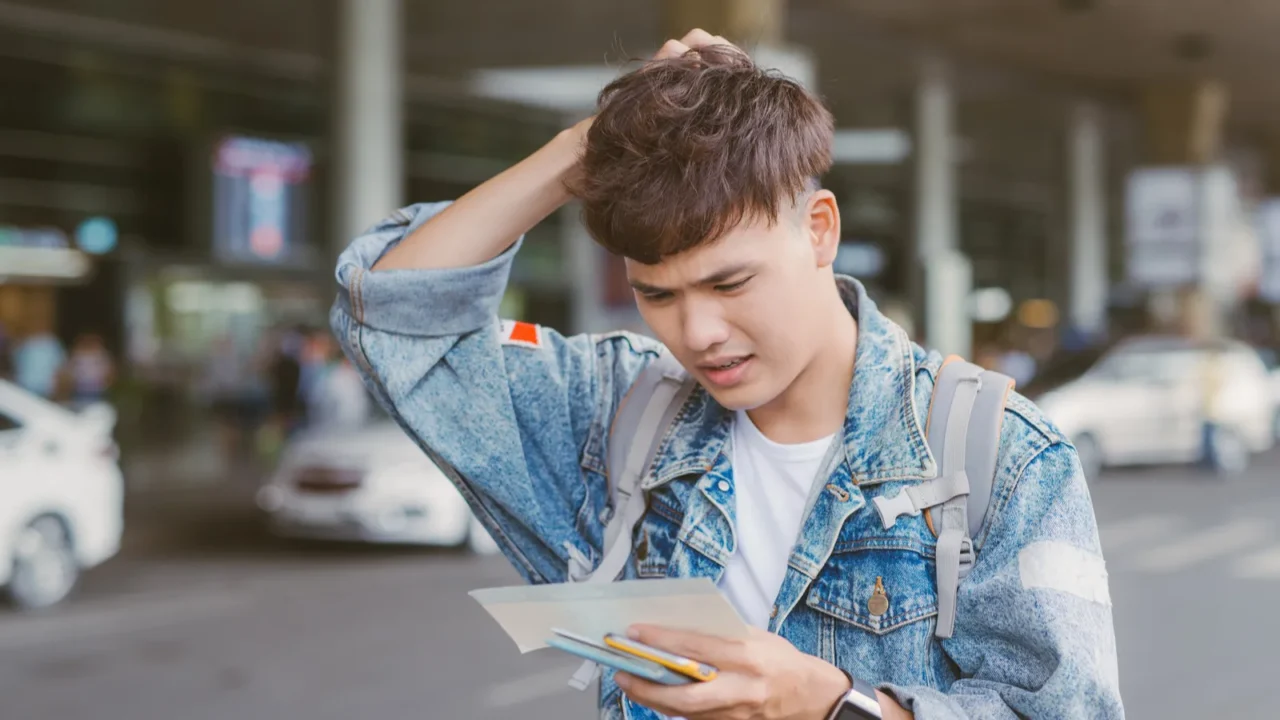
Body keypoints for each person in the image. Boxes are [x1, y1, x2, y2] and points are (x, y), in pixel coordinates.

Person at [330, 32, 1121, 720]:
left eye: (730, 283)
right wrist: (588, 150)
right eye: (657, 295)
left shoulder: (998, 455)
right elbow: (394, 318)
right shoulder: (619, 417)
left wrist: (830, 706)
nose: (698, 334)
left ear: (819, 230)